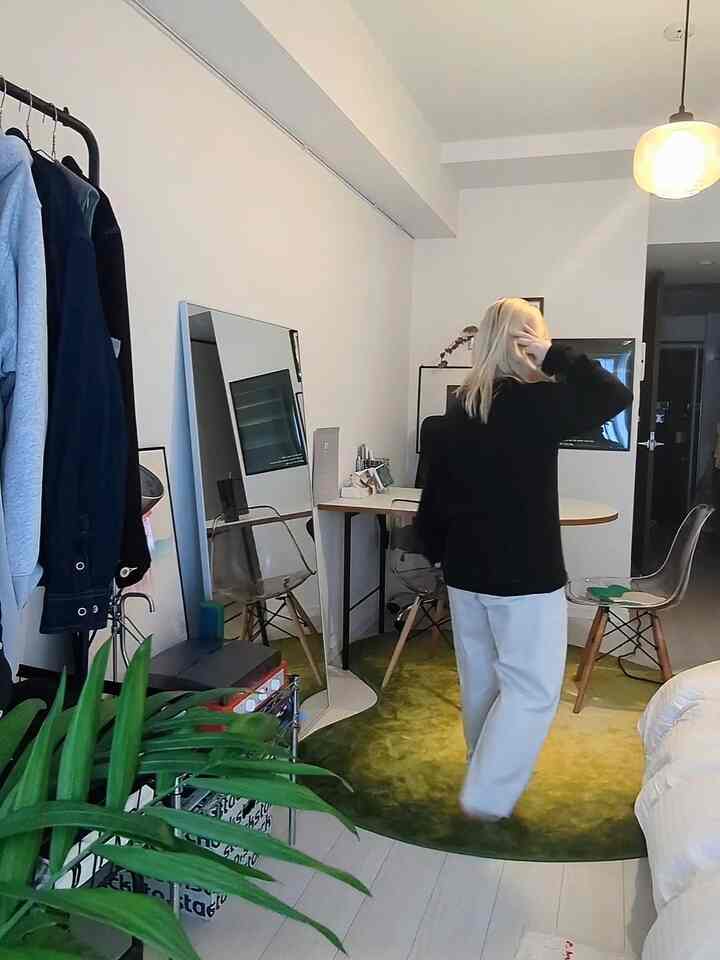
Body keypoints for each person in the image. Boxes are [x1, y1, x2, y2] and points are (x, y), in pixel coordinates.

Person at [415, 297, 633, 821]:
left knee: (482, 680)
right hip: (526, 575)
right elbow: (614, 394)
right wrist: (555, 355)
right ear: (529, 341)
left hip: (466, 574)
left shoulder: (451, 415)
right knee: (532, 688)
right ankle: (487, 795)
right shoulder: (540, 405)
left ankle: (479, 764)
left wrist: (443, 560)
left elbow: (433, 504)